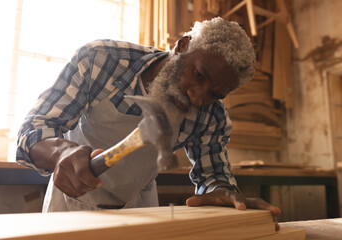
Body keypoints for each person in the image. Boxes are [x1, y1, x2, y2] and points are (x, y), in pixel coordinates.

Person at [16, 17, 281, 222]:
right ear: (182, 46)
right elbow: (33, 129)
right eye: (198, 75)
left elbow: (214, 175)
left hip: (139, 210)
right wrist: (61, 152)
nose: (197, 98)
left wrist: (222, 190)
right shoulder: (101, 60)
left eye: (214, 94)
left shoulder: (212, 115)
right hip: (72, 207)